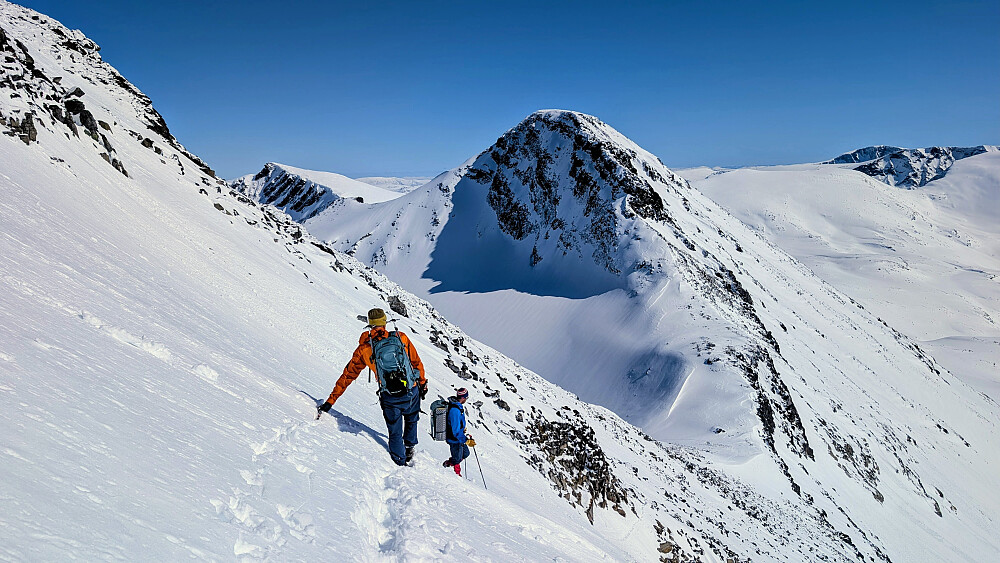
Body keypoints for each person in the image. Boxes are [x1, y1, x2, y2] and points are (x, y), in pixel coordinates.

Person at [318, 308, 428, 466]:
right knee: (411, 419)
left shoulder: (364, 349)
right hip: (411, 390)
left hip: (389, 396)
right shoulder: (401, 338)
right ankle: (410, 446)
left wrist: (330, 401)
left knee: (394, 430)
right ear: (384, 322)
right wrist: (422, 383)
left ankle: (399, 460)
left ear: (370, 324)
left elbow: (348, 375)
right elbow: (416, 362)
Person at [442, 388, 475, 476]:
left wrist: (462, 429)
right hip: (454, 439)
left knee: (466, 453)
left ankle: (449, 464)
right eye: (466, 397)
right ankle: (457, 475)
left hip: (459, 437)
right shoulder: (455, 410)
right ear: (463, 397)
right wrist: (466, 440)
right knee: (457, 459)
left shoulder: (458, 406)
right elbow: (455, 430)